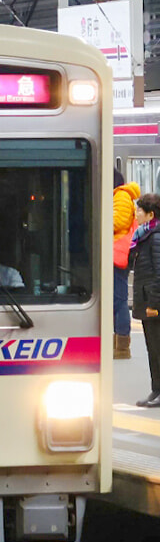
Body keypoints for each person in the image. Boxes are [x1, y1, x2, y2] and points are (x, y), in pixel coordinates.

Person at [131, 192, 160, 407]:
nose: (136, 213)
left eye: (139, 210)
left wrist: (153, 303)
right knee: (152, 348)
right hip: (146, 298)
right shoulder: (144, 235)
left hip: (153, 303)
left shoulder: (156, 237)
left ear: (150, 214)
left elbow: (158, 273)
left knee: (157, 348)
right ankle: (155, 389)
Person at [114, 170, 141, 358]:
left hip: (117, 255)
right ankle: (117, 343)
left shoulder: (121, 196)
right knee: (116, 299)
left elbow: (118, 221)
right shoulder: (119, 196)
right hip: (116, 254)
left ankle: (122, 345)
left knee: (119, 300)